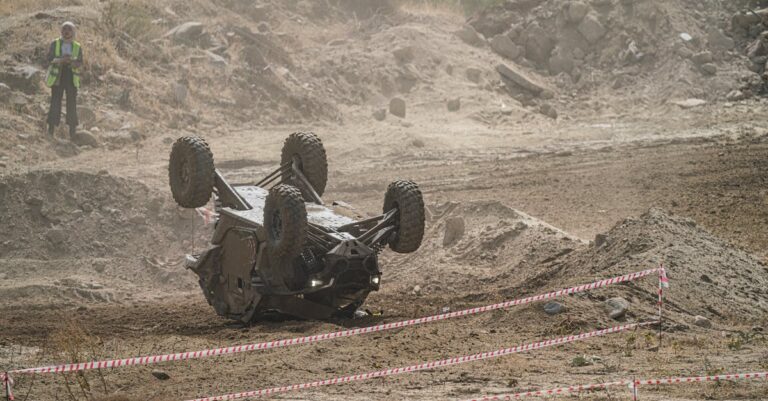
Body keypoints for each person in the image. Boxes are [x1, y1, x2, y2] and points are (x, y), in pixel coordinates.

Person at [46, 21, 84, 138]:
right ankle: (51, 130)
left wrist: (72, 62)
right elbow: (49, 58)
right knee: (55, 102)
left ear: (73, 32)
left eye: (69, 30)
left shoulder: (77, 46)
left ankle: (72, 132)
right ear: (61, 31)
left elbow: (80, 63)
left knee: (71, 104)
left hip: (71, 78)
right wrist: (60, 60)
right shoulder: (55, 43)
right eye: (64, 29)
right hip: (58, 77)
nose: (66, 32)